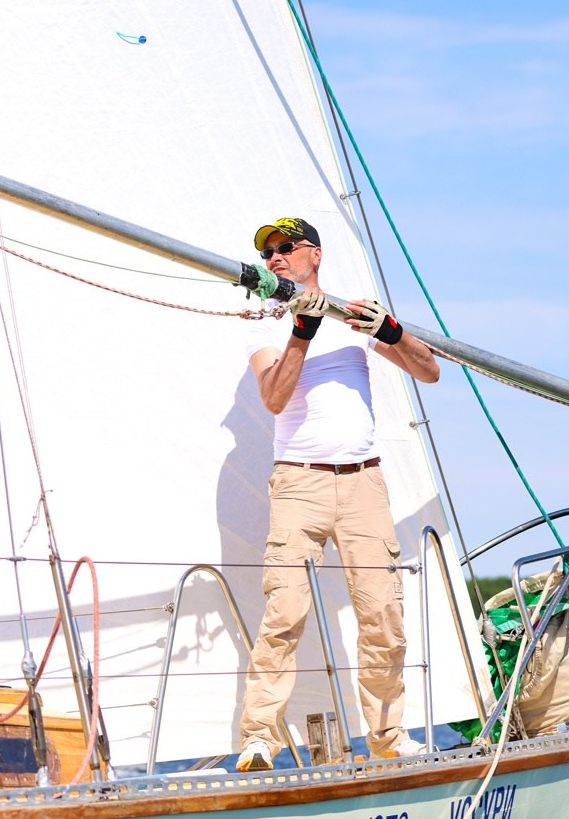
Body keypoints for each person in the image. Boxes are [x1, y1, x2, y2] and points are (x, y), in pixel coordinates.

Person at [236, 216, 440, 770]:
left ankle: (388, 739)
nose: (274, 257)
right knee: (285, 610)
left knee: (383, 617)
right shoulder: (264, 322)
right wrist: (302, 331)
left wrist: (391, 332)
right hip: (300, 481)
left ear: (315, 255)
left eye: (285, 247)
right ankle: (258, 737)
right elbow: (274, 397)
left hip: (362, 482)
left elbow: (430, 372)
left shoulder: (354, 314)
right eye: (268, 252)